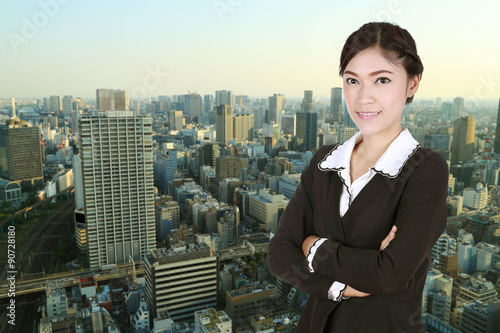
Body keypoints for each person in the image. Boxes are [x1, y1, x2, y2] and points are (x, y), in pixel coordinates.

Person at [267, 22, 448, 332]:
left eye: (382, 80)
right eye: (352, 80)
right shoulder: (325, 161)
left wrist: (313, 247)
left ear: (412, 84)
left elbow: (389, 275)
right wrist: (342, 286)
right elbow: (279, 253)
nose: (363, 97)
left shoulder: (426, 170)